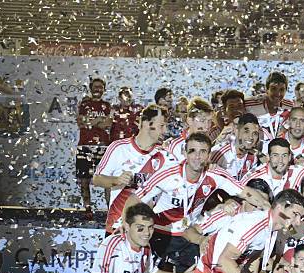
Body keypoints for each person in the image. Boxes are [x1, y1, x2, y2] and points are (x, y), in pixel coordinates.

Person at [123, 133, 269, 273]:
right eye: (193, 151)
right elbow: (135, 199)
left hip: (189, 235)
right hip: (160, 234)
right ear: (185, 152)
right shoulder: (168, 174)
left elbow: (246, 192)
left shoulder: (215, 174)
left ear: (209, 154)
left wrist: (270, 210)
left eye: (203, 152)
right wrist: (125, 227)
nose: (198, 157)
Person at [93, 104, 175, 235]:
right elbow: (97, 179)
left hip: (148, 230)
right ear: (147, 123)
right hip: (118, 225)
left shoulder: (165, 155)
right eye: (161, 126)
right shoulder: (119, 148)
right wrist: (117, 180)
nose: (165, 131)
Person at [76, 77, 112, 220]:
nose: (98, 89)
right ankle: (87, 208)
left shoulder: (108, 105)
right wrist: (98, 121)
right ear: (91, 88)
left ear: (104, 90)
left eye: (100, 87)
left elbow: (107, 124)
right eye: (95, 86)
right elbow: (81, 123)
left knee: (107, 181)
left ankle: (111, 211)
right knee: (84, 180)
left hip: (103, 147)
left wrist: (91, 122)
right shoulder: (84, 104)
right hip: (85, 146)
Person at [211, 113, 262, 181]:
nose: (251, 137)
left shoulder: (253, 157)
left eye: (255, 133)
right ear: (237, 131)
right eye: (246, 131)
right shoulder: (219, 152)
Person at [245, 71, 294, 140]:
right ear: (266, 89)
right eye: (274, 89)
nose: (278, 93)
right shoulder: (250, 104)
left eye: (282, 89)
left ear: (286, 90)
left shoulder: (289, 106)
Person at [167, 97, 215, 162]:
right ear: (189, 120)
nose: (207, 126)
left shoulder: (213, 144)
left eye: (209, 121)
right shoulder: (174, 147)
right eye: (202, 120)